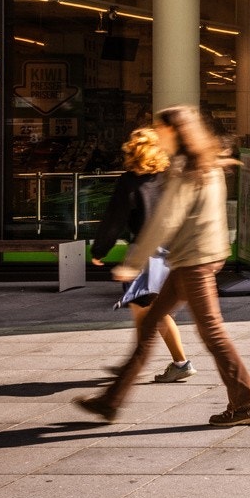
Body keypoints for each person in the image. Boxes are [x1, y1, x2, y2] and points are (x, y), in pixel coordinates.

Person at [76, 106, 250, 427]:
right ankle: (110, 401)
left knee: (212, 333)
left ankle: (245, 403)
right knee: (150, 325)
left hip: (194, 263)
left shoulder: (186, 171)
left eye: (161, 129)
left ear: (174, 131)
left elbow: (165, 222)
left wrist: (133, 264)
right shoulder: (208, 164)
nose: (158, 135)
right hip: (195, 259)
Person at [89, 127, 193, 383]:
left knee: (152, 310)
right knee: (144, 309)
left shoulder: (130, 181)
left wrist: (99, 250)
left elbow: (115, 219)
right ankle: (139, 362)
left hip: (146, 256)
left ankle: (178, 363)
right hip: (173, 252)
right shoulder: (169, 177)